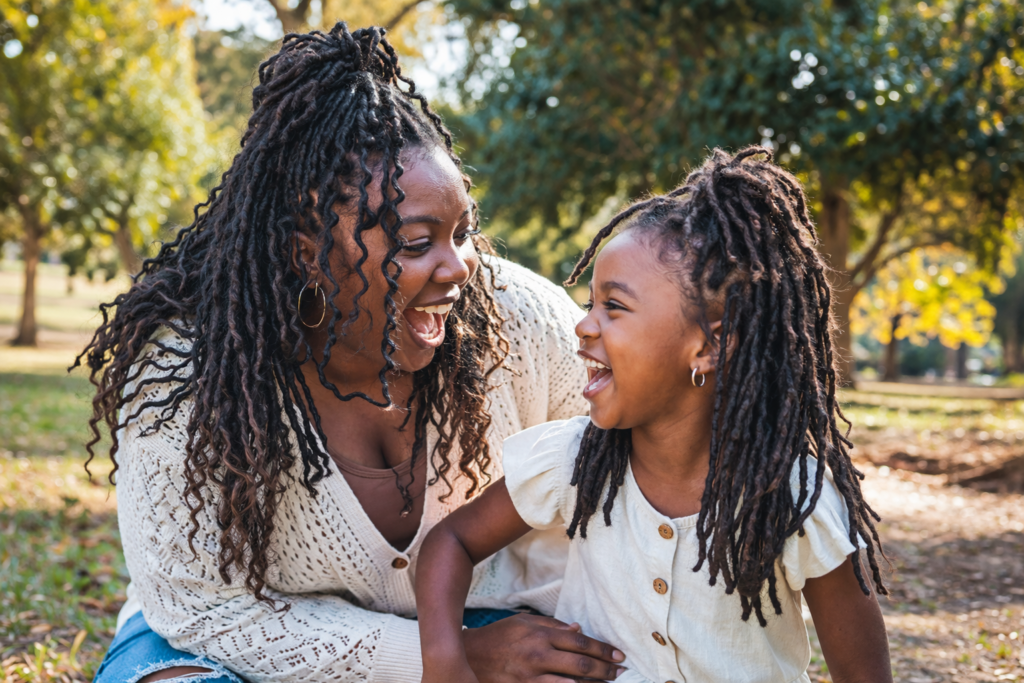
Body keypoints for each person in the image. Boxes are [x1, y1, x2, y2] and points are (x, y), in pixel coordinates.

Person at [82, 23, 626, 683]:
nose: (459, 268)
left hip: (483, 613)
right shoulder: (189, 369)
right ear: (307, 250)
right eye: (420, 240)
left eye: (463, 233)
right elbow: (203, 607)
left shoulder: (513, 320)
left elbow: (641, 429)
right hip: (239, 644)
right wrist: (443, 660)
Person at [416, 147, 894, 683]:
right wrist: (444, 658)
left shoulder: (786, 497)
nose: (584, 326)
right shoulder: (575, 462)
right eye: (590, 303)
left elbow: (864, 671)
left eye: (613, 307)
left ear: (710, 346)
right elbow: (450, 543)